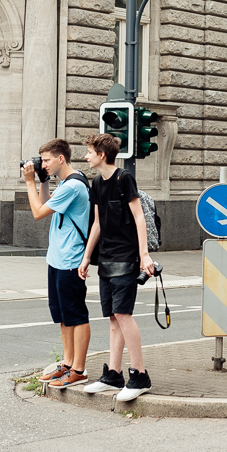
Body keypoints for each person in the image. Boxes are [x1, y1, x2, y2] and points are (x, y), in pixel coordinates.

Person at [79, 133, 155, 401]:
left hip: (126, 256)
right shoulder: (97, 182)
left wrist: (144, 254)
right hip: (107, 257)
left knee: (123, 314)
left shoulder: (124, 178)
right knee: (113, 316)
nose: (86, 156)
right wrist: (87, 256)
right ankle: (113, 374)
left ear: (101, 154)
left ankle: (140, 374)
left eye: (89, 151)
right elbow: (97, 223)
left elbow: (139, 217)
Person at [21, 138, 92, 389]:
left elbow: (38, 213)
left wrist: (29, 182)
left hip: (71, 260)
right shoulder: (66, 182)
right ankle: (68, 362)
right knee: (63, 316)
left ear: (61, 158)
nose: (44, 164)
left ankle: (79, 369)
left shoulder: (73, 185)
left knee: (76, 315)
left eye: (47, 160)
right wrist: (41, 181)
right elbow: (45, 203)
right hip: (57, 258)